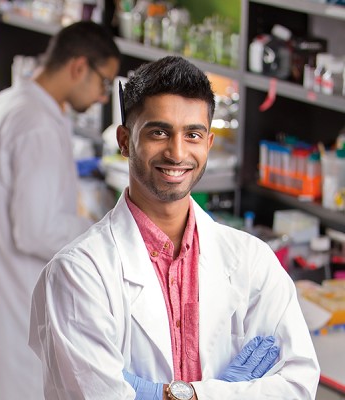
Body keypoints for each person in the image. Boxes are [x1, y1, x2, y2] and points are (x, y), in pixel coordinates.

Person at [29, 56, 320, 399]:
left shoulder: (252, 260)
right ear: (124, 141)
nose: (177, 152)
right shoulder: (79, 273)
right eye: (159, 132)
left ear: (208, 144)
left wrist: (177, 394)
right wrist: (231, 392)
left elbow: (298, 384)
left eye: (192, 134)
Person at [0, 21, 121, 400]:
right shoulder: (38, 124)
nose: (101, 97)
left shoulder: (6, 102)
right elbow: (35, 230)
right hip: (17, 291)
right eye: (103, 83)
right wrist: (106, 231)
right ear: (79, 67)